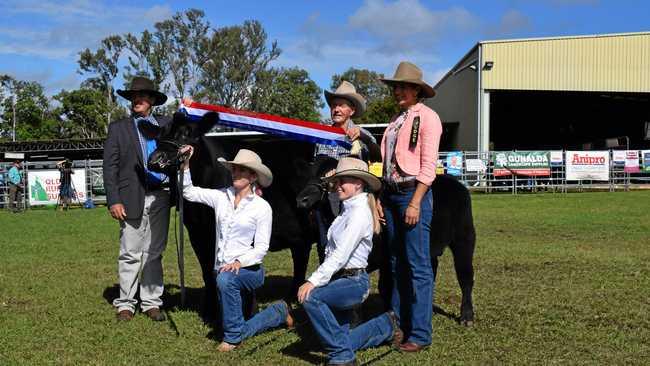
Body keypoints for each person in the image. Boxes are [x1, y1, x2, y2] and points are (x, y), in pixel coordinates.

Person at [179, 146, 293, 352]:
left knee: (225, 282)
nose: (235, 174)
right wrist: (186, 165)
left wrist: (239, 263)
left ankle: (232, 338)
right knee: (224, 283)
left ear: (253, 176)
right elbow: (188, 192)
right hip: (222, 269)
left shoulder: (261, 207)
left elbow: (261, 248)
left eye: (241, 170)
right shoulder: (221, 196)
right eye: (234, 170)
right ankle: (278, 311)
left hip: (249, 270)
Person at [297, 157, 402, 366]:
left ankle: (343, 358)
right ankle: (386, 325)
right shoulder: (349, 207)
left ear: (359, 183)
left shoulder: (359, 213)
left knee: (311, 298)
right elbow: (332, 250)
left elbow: (340, 255)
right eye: (337, 181)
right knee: (342, 339)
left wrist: (313, 280)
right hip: (341, 279)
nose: (337, 186)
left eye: (343, 180)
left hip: (353, 282)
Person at [378, 61, 442, 352]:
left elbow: (428, 165)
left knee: (417, 265)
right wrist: (381, 197)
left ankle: (419, 332)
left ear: (417, 90)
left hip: (410, 193)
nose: (398, 91)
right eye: (396, 87)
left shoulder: (428, 118)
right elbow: (389, 163)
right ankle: (397, 324)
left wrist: (416, 201)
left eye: (404, 86)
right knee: (395, 262)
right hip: (391, 195)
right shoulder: (396, 119)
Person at [103, 77, 172, 322]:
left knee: (154, 252)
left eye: (142, 96)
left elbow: (184, 143)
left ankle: (152, 302)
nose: (136, 100)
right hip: (130, 197)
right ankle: (126, 304)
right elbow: (109, 168)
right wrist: (114, 200)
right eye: (133, 96)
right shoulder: (119, 128)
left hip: (161, 195)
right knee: (130, 252)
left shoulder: (166, 125)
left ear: (152, 100)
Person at [313, 81, 381, 263]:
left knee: (350, 244)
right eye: (334, 105)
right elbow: (316, 165)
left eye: (341, 105)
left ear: (351, 110)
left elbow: (377, 157)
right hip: (325, 198)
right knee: (323, 244)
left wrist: (365, 138)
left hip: (353, 201)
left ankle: (349, 281)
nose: (336, 109)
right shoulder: (321, 134)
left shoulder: (364, 135)